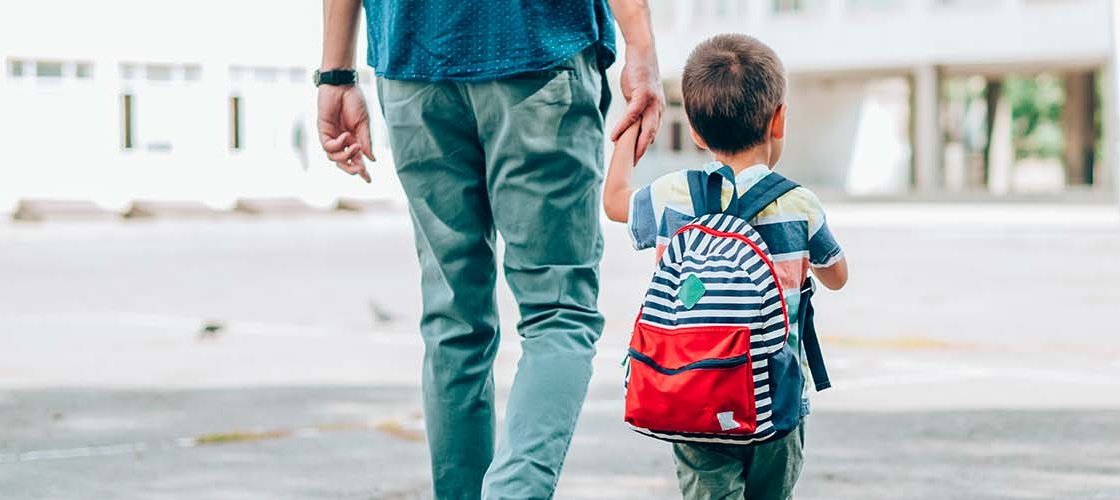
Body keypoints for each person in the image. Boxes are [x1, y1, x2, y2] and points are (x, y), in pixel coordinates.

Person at [315, 1, 663, 499]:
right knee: (558, 312)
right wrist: (641, 47)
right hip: (536, 47)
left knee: (453, 321)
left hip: (413, 63)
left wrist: (335, 74)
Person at [603, 33, 848, 500]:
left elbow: (614, 201)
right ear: (779, 121)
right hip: (775, 400)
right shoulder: (799, 205)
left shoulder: (672, 195)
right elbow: (837, 276)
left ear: (695, 131)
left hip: (693, 390)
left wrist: (635, 116)